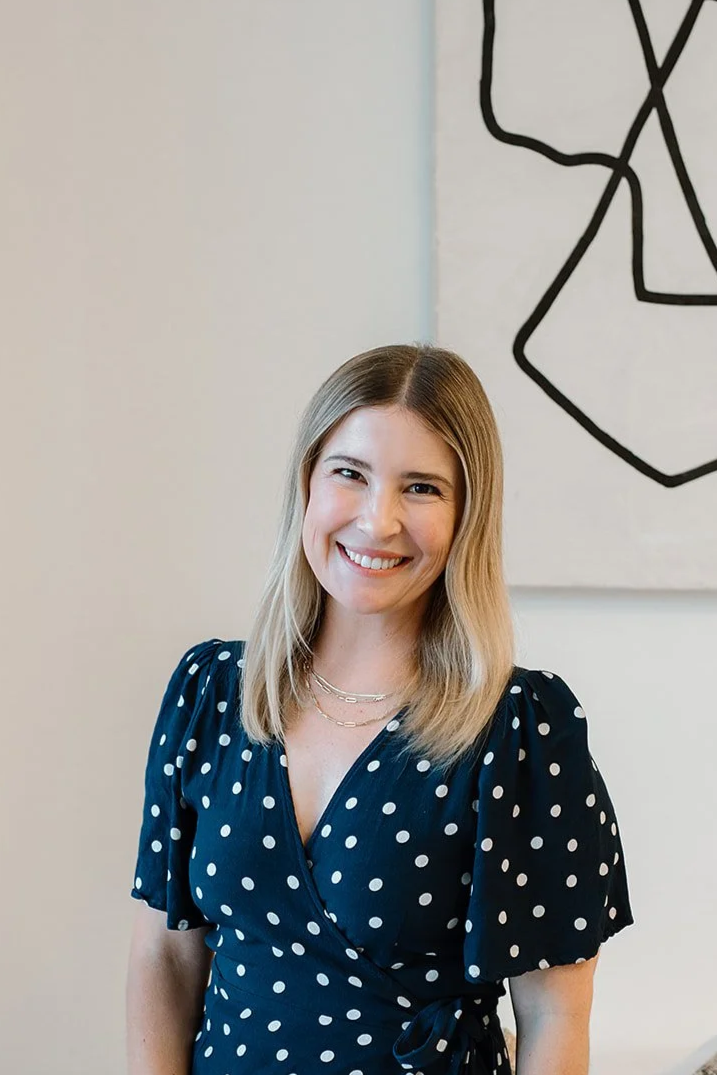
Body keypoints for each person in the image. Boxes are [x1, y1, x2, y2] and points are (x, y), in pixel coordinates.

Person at [126, 344, 633, 1075]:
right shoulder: (210, 693)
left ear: (466, 514)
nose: (378, 520)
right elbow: (165, 956)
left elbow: (553, 1016)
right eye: (350, 473)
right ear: (307, 481)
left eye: (422, 487)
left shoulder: (520, 730)